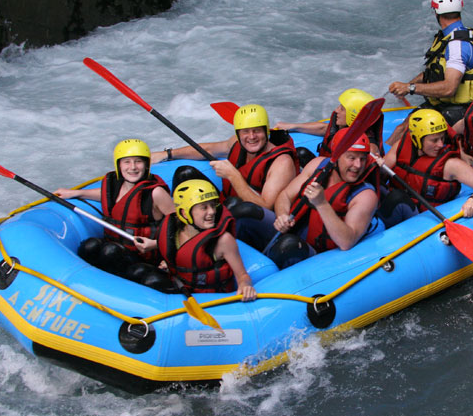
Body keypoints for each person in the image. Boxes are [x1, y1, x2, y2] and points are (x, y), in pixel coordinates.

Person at [241, 131, 380, 269]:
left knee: (289, 245)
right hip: (291, 230)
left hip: (318, 255)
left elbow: (347, 241)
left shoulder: (365, 196)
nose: (358, 165)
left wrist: (322, 204)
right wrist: (282, 216)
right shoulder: (317, 165)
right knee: (244, 210)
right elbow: (285, 196)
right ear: (336, 156)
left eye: (363, 159)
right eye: (352, 158)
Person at [387, 0, 473, 145]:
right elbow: (434, 72)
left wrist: (410, 88)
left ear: (436, 12)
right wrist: (407, 85)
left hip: (463, 111)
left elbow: (450, 88)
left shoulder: (457, 46)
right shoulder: (451, 37)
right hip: (445, 105)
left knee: (408, 134)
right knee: (401, 129)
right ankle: (380, 157)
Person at [55, 139, 175, 272]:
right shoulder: (115, 186)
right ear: (119, 165)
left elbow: (181, 225)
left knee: (110, 251)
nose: (133, 167)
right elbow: (107, 196)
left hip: (145, 257)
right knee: (90, 246)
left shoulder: (156, 193)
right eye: (127, 162)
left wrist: (156, 244)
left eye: (138, 161)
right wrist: (76, 193)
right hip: (117, 248)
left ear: (147, 165)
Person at [152, 104, 298, 212]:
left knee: (237, 206)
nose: (251, 136)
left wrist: (233, 175)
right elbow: (208, 149)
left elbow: (266, 207)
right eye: (245, 132)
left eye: (257, 131)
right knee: (184, 173)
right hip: (226, 203)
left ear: (266, 131)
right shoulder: (237, 142)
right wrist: (167, 154)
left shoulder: (282, 162)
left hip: (254, 217)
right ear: (238, 133)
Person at [134, 179, 256, 299]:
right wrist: (155, 245)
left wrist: (245, 285)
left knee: (152, 280)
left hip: (207, 297)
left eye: (213, 205)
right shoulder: (175, 230)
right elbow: (179, 249)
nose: (212, 212)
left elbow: (243, 276)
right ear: (185, 213)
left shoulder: (223, 240)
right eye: (204, 207)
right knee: (137, 271)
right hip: (180, 286)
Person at [376, 109, 473, 228]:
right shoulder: (401, 146)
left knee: (397, 198)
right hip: (396, 204)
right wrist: (376, 165)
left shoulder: (450, 164)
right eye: (434, 140)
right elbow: (381, 173)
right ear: (417, 139)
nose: (440, 144)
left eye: (442, 138)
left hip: (421, 218)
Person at [275, 88, 384, 157]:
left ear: (354, 116)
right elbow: (324, 129)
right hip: (328, 166)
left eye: (342, 109)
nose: (336, 110)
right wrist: (293, 126)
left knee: (301, 154)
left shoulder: (368, 147)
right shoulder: (343, 126)